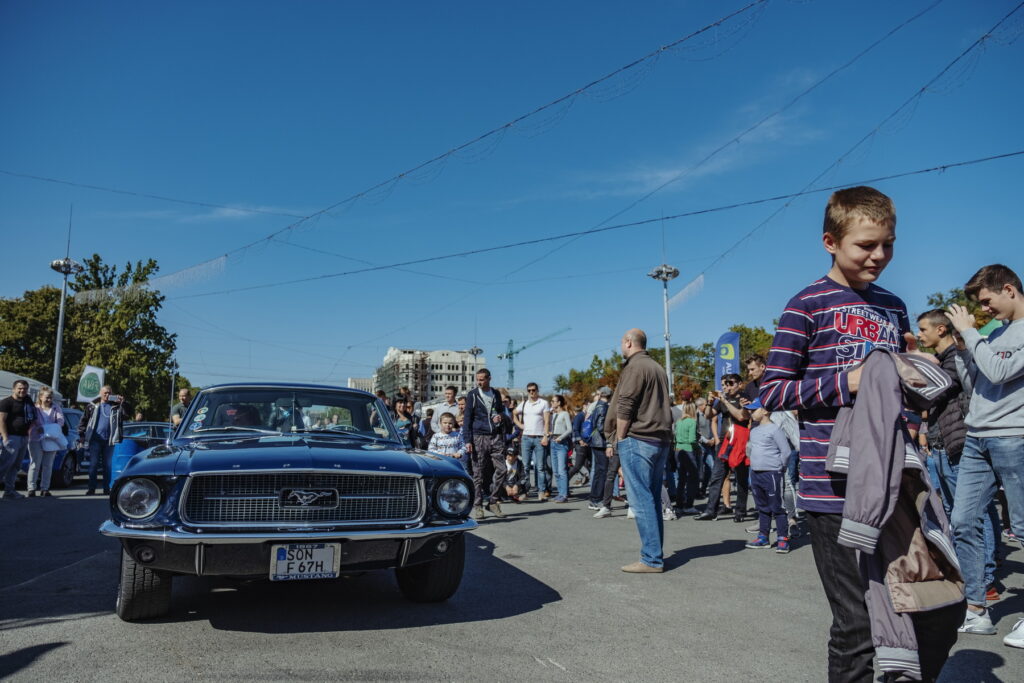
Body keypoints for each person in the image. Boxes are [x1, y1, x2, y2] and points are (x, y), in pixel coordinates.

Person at [760, 186, 961, 681]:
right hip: (831, 489)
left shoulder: (893, 306)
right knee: (857, 627)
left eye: (888, 244)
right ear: (830, 242)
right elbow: (773, 391)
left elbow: (900, 395)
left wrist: (915, 383)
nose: (879, 256)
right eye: (866, 245)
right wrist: (847, 382)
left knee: (928, 605)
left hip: (892, 483)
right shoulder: (806, 304)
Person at [946, 264, 1024, 648]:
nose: (984, 309)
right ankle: (976, 610)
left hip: (1014, 437)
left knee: (1022, 526)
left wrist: (969, 333)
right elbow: (974, 383)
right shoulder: (994, 333)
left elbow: (999, 371)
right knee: (962, 522)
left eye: (987, 301)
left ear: (1009, 289)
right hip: (977, 437)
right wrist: (964, 350)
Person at [604, 328, 673, 573]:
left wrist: (620, 437)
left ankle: (651, 559)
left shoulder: (635, 367)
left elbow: (626, 404)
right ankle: (654, 555)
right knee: (651, 498)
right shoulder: (656, 367)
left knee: (641, 500)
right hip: (658, 438)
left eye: (621, 342)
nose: (620, 347)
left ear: (628, 342)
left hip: (639, 437)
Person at [696, 374, 750, 522]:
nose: (727, 387)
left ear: (739, 384)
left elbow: (741, 416)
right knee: (717, 476)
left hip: (740, 441)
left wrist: (725, 401)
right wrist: (709, 402)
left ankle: (740, 511)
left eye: (730, 383)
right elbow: (708, 415)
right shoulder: (722, 400)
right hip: (724, 442)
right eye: (725, 384)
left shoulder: (744, 398)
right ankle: (710, 510)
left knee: (741, 477)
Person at [742, 399, 792, 553]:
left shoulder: (775, 430)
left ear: (765, 411)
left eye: (754, 410)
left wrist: (780, 467)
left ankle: (783, 539)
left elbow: (786, 452)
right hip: (755, 473)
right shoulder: (754, 430)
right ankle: (763, 537)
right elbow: (750, 449)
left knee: (777, 507)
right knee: (762, 507)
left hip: (772, 473)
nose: (751, 412)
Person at [462, 368, 508, 519]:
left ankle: (493, 501)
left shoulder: (495, 394)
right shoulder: (473, 395)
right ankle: (478, 505)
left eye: (482, 379)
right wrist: (467, 440)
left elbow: (501, 411)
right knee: (478, 473)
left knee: (502, 469)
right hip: (479, 437)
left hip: (495, 436)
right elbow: (467, 418)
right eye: (478, 379)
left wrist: (499, 416)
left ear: (489, 379)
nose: (479, 382)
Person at [78, 385, 128, 496]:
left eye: (109, 393)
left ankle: (106, 488)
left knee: (107, 465)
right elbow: (84, 420)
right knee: (93, 464)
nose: (107, 395)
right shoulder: (92, 406)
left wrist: (122, 403)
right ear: (100, 393)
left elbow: (126, 416)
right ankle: (91, 488)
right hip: (95, 440)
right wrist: (81, 434)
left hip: (109, 440)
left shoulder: (115, 406)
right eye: (105, 393)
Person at [0, 378, 36, 500]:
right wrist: (5, 438)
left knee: (16, 465)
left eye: (25, 389)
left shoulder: (28, 401)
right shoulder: (6, 402)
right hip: (11, 437)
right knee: (4, 465)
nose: (22, 390)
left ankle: (9, 491)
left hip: (24, 437)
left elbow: (33, 416)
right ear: (13, 389)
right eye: (20, 388)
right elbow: (1, 421)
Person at [514, 383, 550, 500]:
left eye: (533, 390)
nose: (531, 392)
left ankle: (541, 491)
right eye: (529, 390)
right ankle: (525, 491)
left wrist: (545, 436)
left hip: (539, 437)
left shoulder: (543, 403)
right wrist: (519, 425)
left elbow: (547, 421)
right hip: (526, 437)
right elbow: (514, 413)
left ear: (537, 390)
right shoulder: (524, 404)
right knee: (525, 467)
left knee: (540, 467)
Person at [27, 386, 65, 497]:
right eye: (47, 397)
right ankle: (31, 488)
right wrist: (39, 427)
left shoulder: (56, 408)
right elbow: (31, 420)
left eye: (51, 397)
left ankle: (45, 488)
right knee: (35, 464)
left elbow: (61, 421)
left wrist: (51, 428)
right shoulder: (34, 408)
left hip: (51, 439)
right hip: (35, 438)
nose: (49, 399)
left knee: (48, 465)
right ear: (41, 397)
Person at [588, 387, 613, 514]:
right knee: (603, 471)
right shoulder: (603, 407)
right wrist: (610, 437)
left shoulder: (597, 405)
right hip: (601, 443)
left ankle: (594, 498)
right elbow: (601, 426)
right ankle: (597, 499)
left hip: (596, 442)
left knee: (599, 471)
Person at [672, 400, 700, 514]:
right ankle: (689, 505)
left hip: (678, 449)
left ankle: (679, 504)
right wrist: (697, 448)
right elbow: (692, 439)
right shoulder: (692, 422)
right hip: (688, 450)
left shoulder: (679, 422)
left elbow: (674, 437)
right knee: (693, 478)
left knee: (681, 478)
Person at [548, 394, 573, 503]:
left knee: (562, 470)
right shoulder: (554, 414)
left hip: (561, 443)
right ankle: (560, 493)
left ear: (559, 403)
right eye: (551, 401)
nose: (552, 403)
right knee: (555, 470)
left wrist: (561, 437)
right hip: (553, 442)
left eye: (553, 401)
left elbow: (569, 429)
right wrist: (550, 433)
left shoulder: (565, 414)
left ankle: (564, 494)